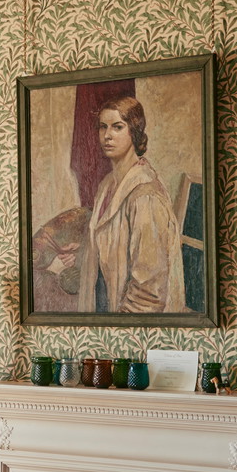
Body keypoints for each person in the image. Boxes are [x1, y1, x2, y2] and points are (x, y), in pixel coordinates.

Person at [77, 96, 185, 313]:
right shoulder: (107, 185)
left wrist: (121, 329)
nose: (107, 136)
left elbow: (149, 288)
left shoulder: (145, 194)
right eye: (102, 127)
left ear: (134, 131)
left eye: (117, 127)